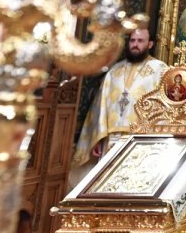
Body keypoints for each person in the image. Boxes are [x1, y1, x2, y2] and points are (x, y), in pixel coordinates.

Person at [71, 28, 167, 177]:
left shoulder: (160, 70)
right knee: (106, 180)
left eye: (140, 41)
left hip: (141, 139)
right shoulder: (114, 71)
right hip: (111, 140)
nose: (135, 45)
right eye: (132, 40)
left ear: (150, 44)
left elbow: (164, 108)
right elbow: (101, 106)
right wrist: (98, 138)